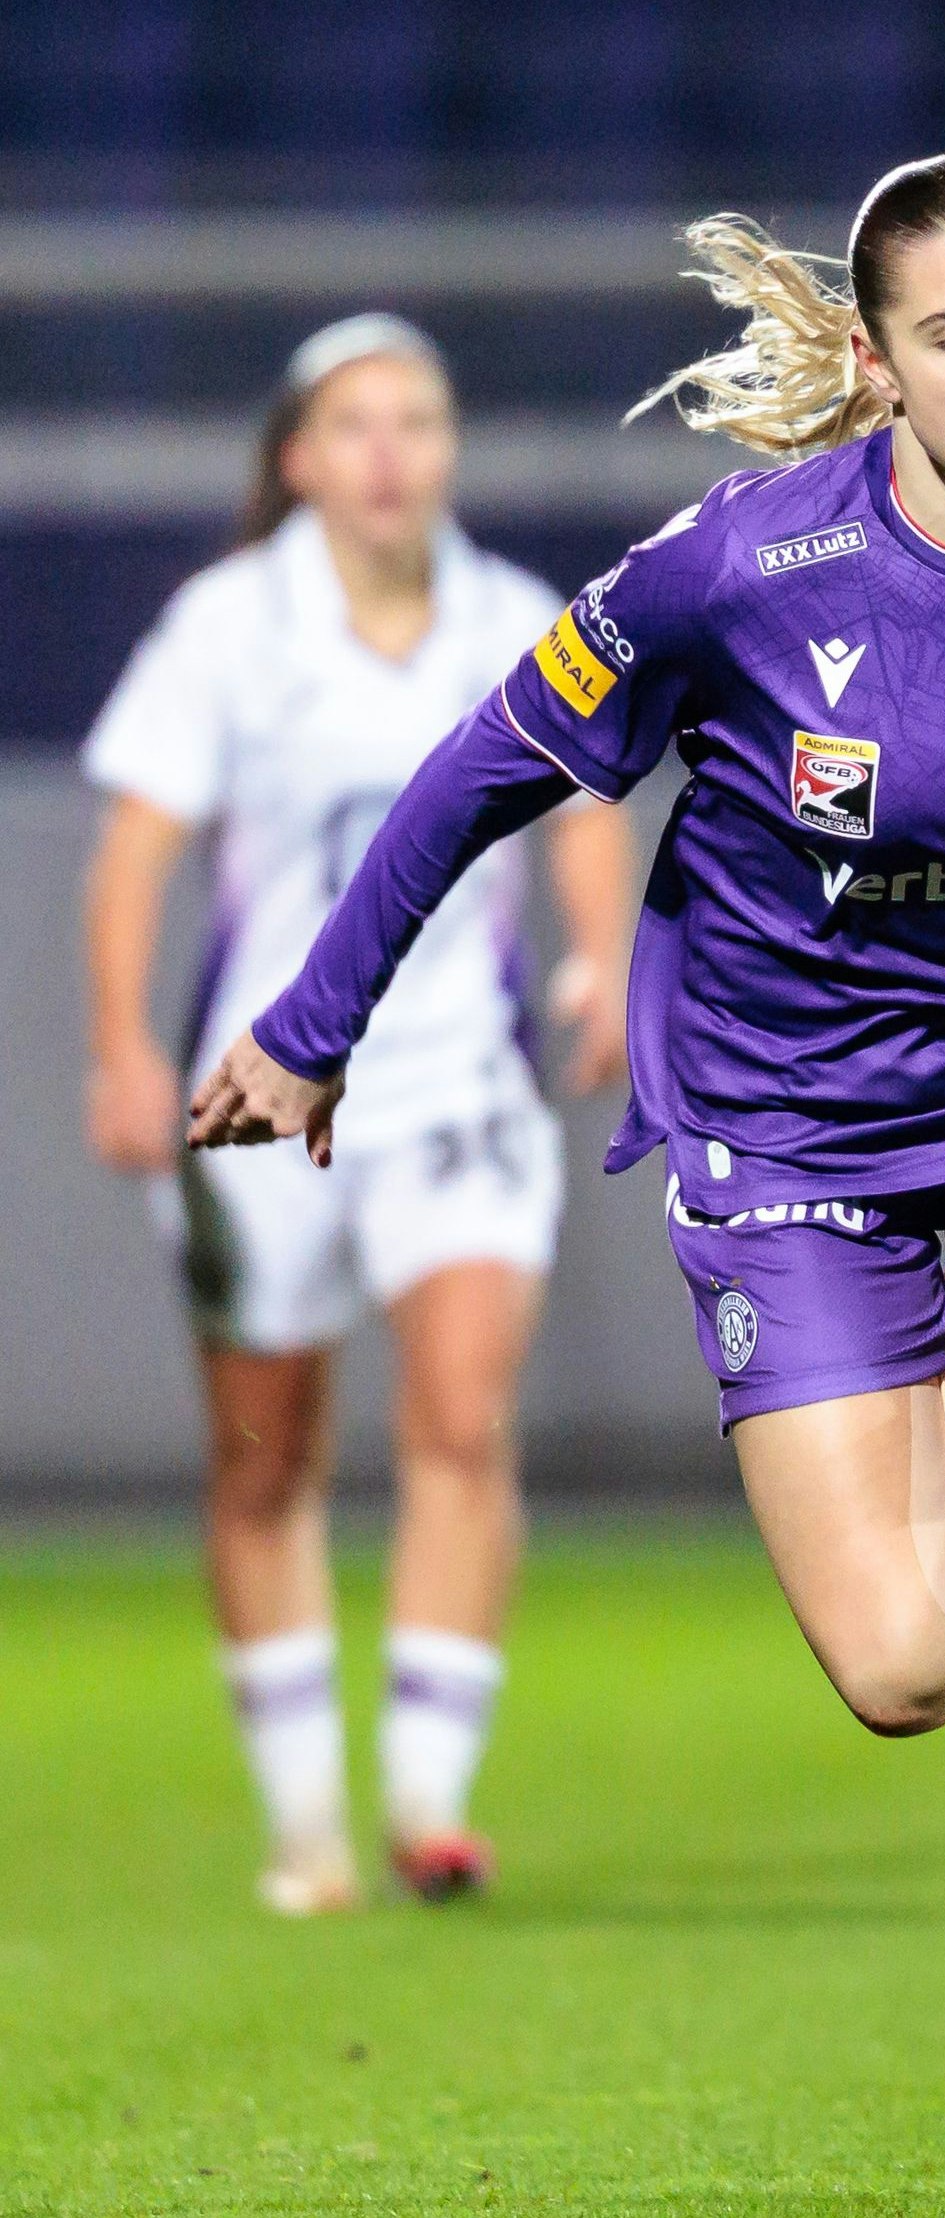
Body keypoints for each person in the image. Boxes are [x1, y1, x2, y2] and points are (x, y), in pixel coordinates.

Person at [185, 156, 945, 2201]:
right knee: (903, 1672)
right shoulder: (744, 568)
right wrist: (314, 1023)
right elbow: (482, 771)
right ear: (877, 368)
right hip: (784, 1136)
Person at [81, 314, 637, 1916]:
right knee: (265, 1455)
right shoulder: (227, 626)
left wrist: (601, 959)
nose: (392, 451)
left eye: (421, 418)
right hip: (262, 1088)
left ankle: (426, 1793)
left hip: (457, 1074)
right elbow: (136, 854)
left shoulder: (516, 620)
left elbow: (584, 801)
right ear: (300, 458)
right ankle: (306, 1819)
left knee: (462, 1414)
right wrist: (124, 1044)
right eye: (358, 422)